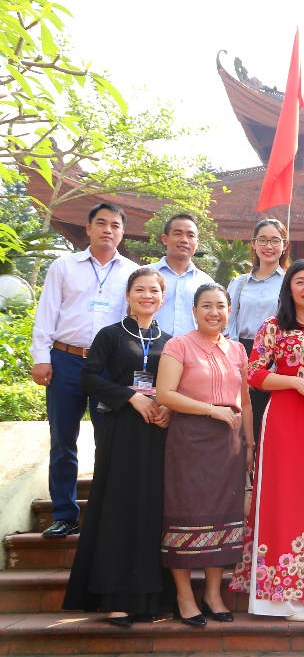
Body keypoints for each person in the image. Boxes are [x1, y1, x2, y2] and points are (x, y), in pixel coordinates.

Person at [229, 259, 304, 621]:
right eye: (300, 281)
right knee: (284, 500)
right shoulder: (273, 328)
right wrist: (295, 380)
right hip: (285, 424)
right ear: (289, 289)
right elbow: (254, 373)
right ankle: (281, 597)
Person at [64, 268, 172, 626]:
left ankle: (149, 597)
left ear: (162, 296)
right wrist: (130, 398)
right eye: (139, 290)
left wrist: (168, 408)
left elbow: (176, 385)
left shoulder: (169, 341)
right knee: (118, 507)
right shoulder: (110, 335)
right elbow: (89, 376)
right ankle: (114, 597)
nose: (147, 296)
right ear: (127, 295)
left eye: (153, 290)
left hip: (157, 432)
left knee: (151, 509)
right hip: (121, 430)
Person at [31, 201, 139, 538]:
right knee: (63, 437)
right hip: (66, 360)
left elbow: (135, 319)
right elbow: (46, 313)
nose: (108, 230)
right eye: (101, 223)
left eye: (115, 225)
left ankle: (108, 513)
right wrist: (41, 356)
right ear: (88, 228)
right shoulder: (64, 266)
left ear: (122, 232)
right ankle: (64, 513)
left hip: (109, 364)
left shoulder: (131, 272)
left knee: (109, 437)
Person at [155, 283, 253, 627]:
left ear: (229, 311)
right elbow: (164, 394)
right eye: (207, 306)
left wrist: (250, 444)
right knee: (185, 514)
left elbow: (245, 401)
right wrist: (210, 410)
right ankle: (185, 596)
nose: (214, 312)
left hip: (229, 443)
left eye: (221, 306)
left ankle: (212, 594)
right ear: (194, 311)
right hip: (190, 439)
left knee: (224, 517)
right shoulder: (178, 345)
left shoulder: (238, 350)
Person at [227, 218, 290, 443]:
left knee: (268, 426)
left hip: (275, 358)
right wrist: (238, 361)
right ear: (253, 244)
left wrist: (270, 366)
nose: (268, 246)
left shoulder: (290, 283)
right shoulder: (240, 283)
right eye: (262, 240)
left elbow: (290, 324)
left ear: (285, 245)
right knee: (241, 425)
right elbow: (229, 321)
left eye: (275, 240)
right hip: (240, 352)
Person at [148, 213, 215, 336]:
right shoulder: (144, 276)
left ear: (197, 242)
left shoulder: (206, 283)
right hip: (149, 348)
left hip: (192, 351)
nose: (184, 240)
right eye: (178, 234)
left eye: (190, 235)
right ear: (165, 239)